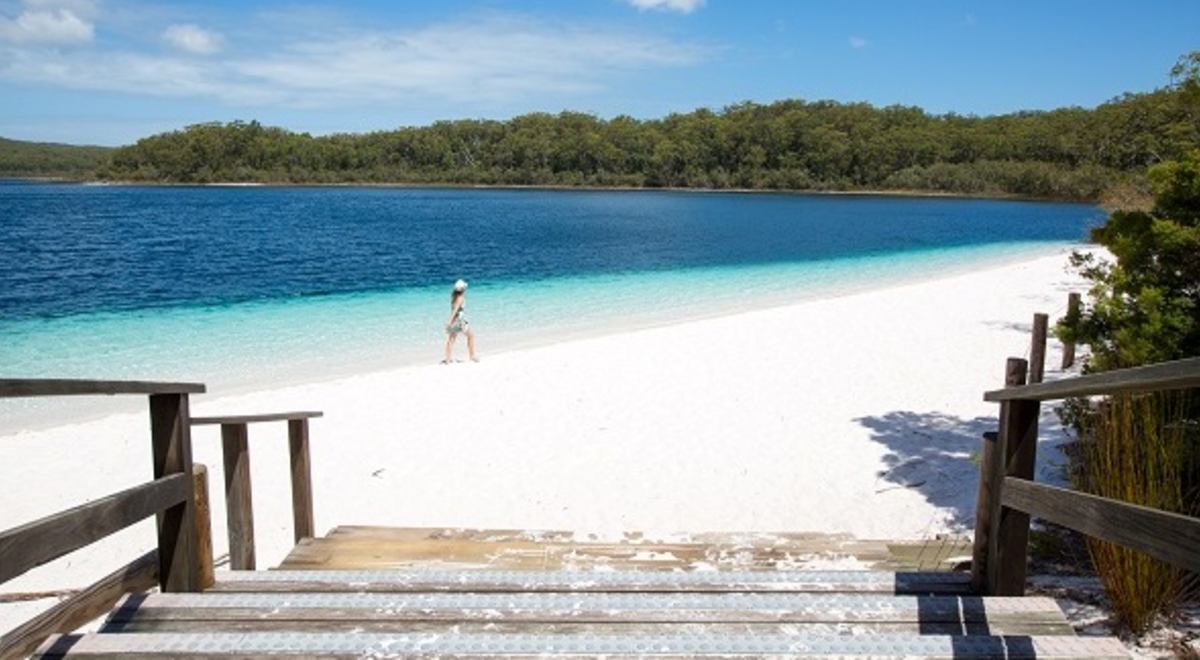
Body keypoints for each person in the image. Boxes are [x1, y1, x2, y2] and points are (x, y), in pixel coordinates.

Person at [443, 279, 478, 363]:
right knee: (471, 336)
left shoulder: (454, 297)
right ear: (462, 289)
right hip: (459, 321)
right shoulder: (460, 298)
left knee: (451, 339)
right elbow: (455, 310)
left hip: (455, 320)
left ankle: (448, 359)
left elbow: (453, 310)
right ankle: (472, 356)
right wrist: (449, 321)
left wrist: (450, 321)